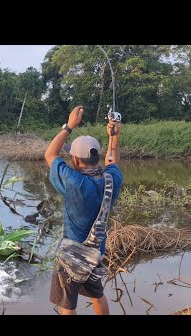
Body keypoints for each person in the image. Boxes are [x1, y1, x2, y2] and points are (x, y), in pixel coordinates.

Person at [44, 106, 123, 315]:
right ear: (96, 157)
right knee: (97, 294)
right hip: (95, 253)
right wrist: (114, 137)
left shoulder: (74, 182)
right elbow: (112, 161)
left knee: (67, 302)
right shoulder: (112, 180)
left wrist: (69, 126)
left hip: (72, 255)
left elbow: (50, 154)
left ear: (76, 161)